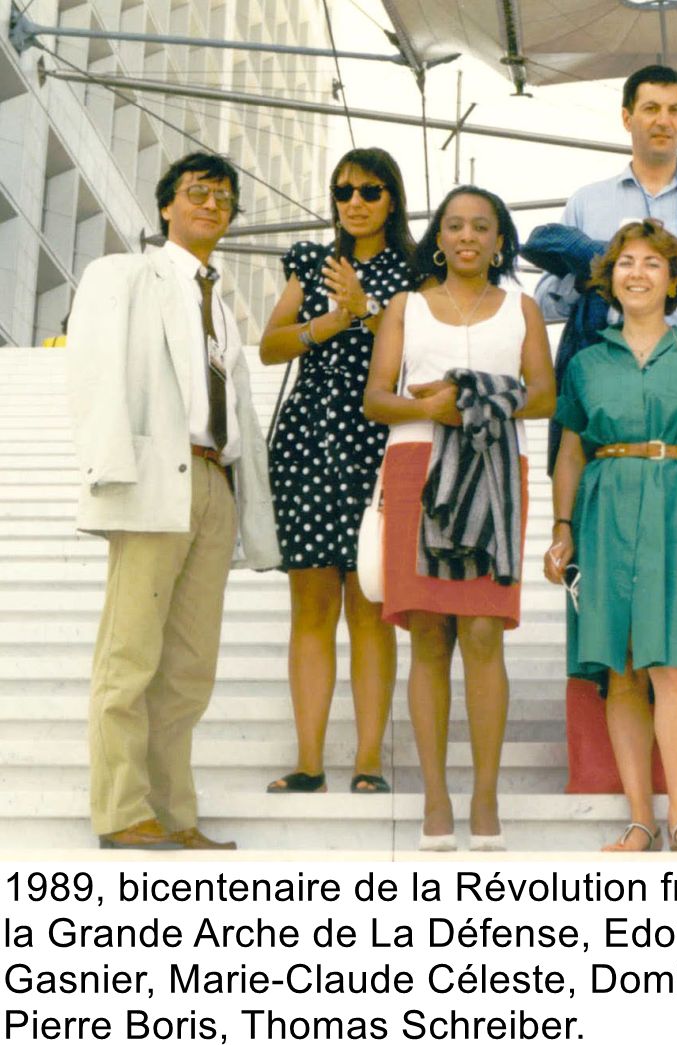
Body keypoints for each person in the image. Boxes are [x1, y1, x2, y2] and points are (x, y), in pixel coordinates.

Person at [67, 151, 280, 850]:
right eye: (198, 192)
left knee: (189, 665)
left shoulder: (221, 304)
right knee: (130, 652)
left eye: (224, 197)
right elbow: (94, 367)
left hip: (215, 482)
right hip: (154, 475)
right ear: (166, 205)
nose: (212, 204)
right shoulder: (125, 274)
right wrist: (110, 467)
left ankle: (174, 812)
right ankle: (122, 809)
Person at [531, 62, 677, 713]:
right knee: (608, 575)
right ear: (627, 116)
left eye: (675, 109)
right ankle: (610, 716)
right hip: (612, 406)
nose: (663, 120)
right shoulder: (588, 200)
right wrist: (590, 270)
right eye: (650, 107)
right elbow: (548, 300)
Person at [544, 220, 677, 853]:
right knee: (623, 668)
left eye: (653, 263)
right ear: (610, 279)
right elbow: (570, 452)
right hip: (604, 510)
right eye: (626, 262)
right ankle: (640, 819)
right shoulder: (586, 361)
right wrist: (561, 528)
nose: (638, 273)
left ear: (673, 280)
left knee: (674, 663)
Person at [364, 186, 555, 851]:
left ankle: (485, 795)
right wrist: (432, 409)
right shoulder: (406, 306)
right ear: (438, 238)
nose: (467, 236)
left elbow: (544, 395)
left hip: (496, 467)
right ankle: (436, 797)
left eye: (481, 226)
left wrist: (473, 397)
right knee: (427, 633)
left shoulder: (522, 308)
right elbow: (377, 399)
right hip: (417, 465)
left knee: (482, 631)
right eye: (454, 225)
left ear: (500, 241)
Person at [260, 148, 418, 796]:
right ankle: (309, 762)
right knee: (311, 605)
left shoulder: (414, 269)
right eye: (344, 191)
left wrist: (369, 306)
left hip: (378, 447)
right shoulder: (312, 261)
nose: (355, 202)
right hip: (308, 446)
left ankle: (369, 760)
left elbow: (421, 350)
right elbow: (271, 345)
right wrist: (334, 317)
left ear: (392, 199)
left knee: (371, 603)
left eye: (370, 191)